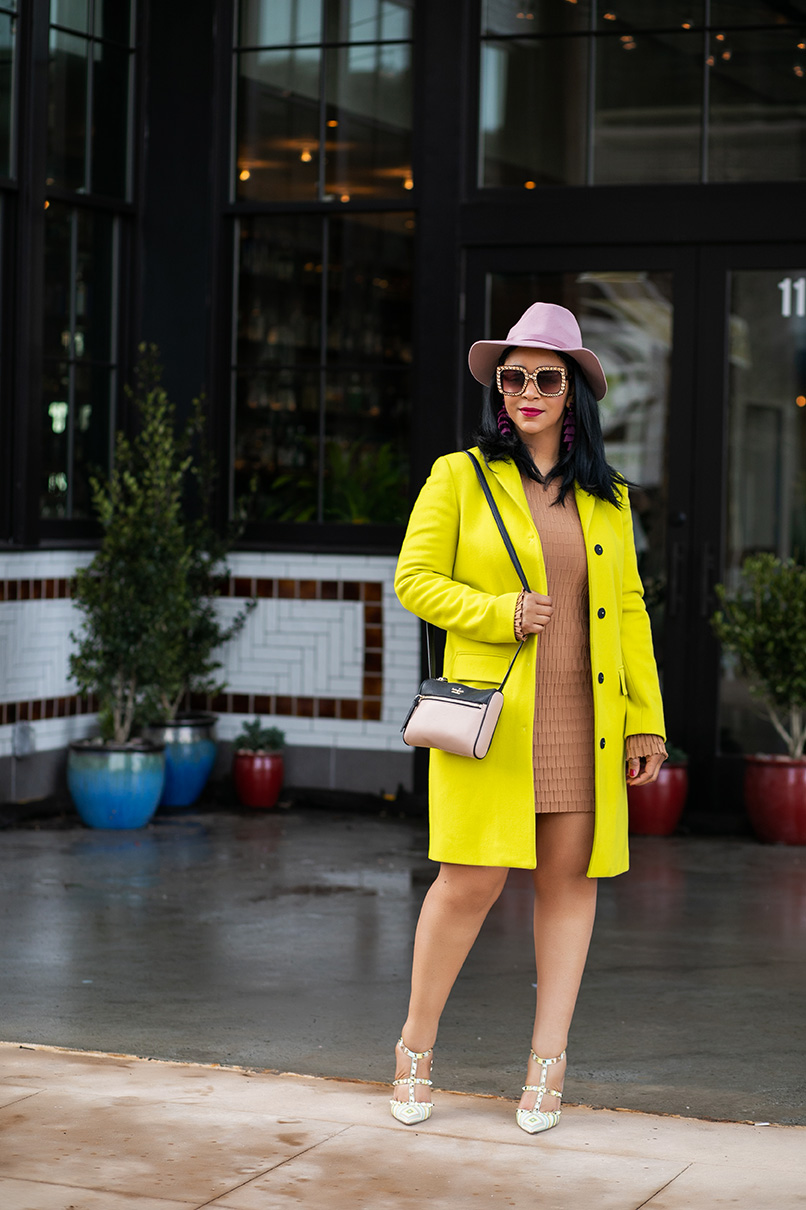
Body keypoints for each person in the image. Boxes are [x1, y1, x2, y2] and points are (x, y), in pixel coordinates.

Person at [390, 302, 667, 1133]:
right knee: (468, 882)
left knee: (568, 887)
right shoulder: (459, 476)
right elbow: (414, 580)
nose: (527, 392)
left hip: (588, 721)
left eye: (546, 377)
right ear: (499, 389)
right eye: (513, 377)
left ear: (575, 388)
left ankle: (547, 1067)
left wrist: (648, 717)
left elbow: (631, 609)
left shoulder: (609, 498)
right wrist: (498, 612)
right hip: (495, 720)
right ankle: (413, 1049)